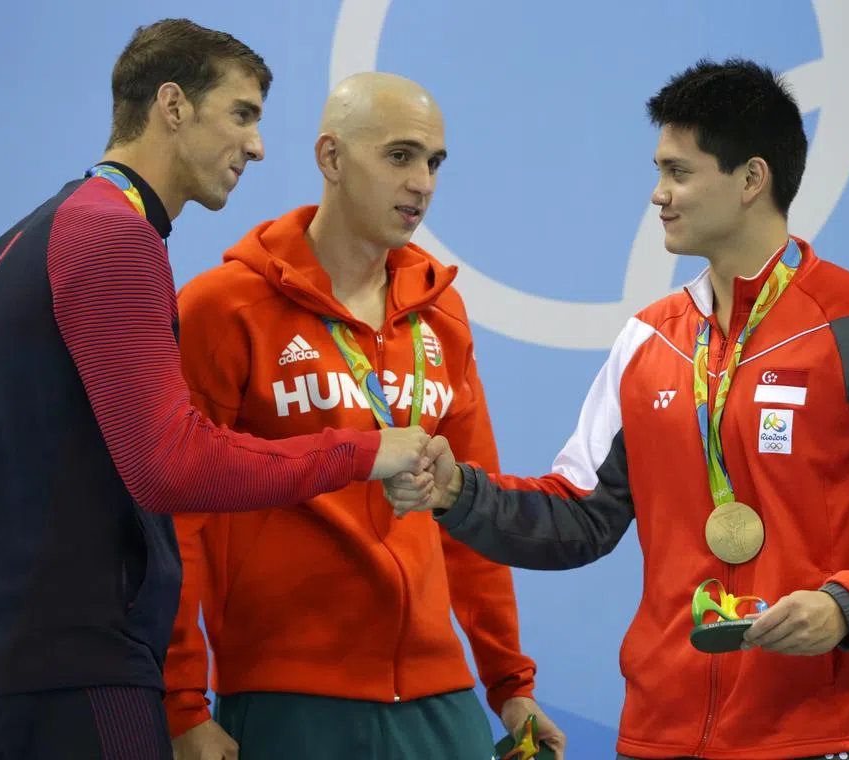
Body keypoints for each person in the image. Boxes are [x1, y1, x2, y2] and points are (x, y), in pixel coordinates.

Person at [387, 58, 849, 760]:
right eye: (659, 171)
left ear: (750, 180)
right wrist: (459, 493)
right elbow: (577, 519)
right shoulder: (650, 340)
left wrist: (846, 607)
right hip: (661, 734)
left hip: (819, 735)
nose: (658, 195)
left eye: (678, 172)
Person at [0, 20, 437, 760]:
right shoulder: (113, 238)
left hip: (2, 679)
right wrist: (364, 452)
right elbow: (169, 465)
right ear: (172, 105)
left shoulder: (20, 241)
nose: (258, 146)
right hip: (81, 683)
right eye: (242, 114)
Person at [164, 72, 564, 760]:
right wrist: (181, 704)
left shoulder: (442, 314)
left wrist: (508, 681)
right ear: (331, 159)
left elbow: (472, 507)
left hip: (442, 698)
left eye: (435, 162)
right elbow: (179, 519)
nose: (423, 183)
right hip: (291, 695)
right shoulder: (222, 307)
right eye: (400, 156)